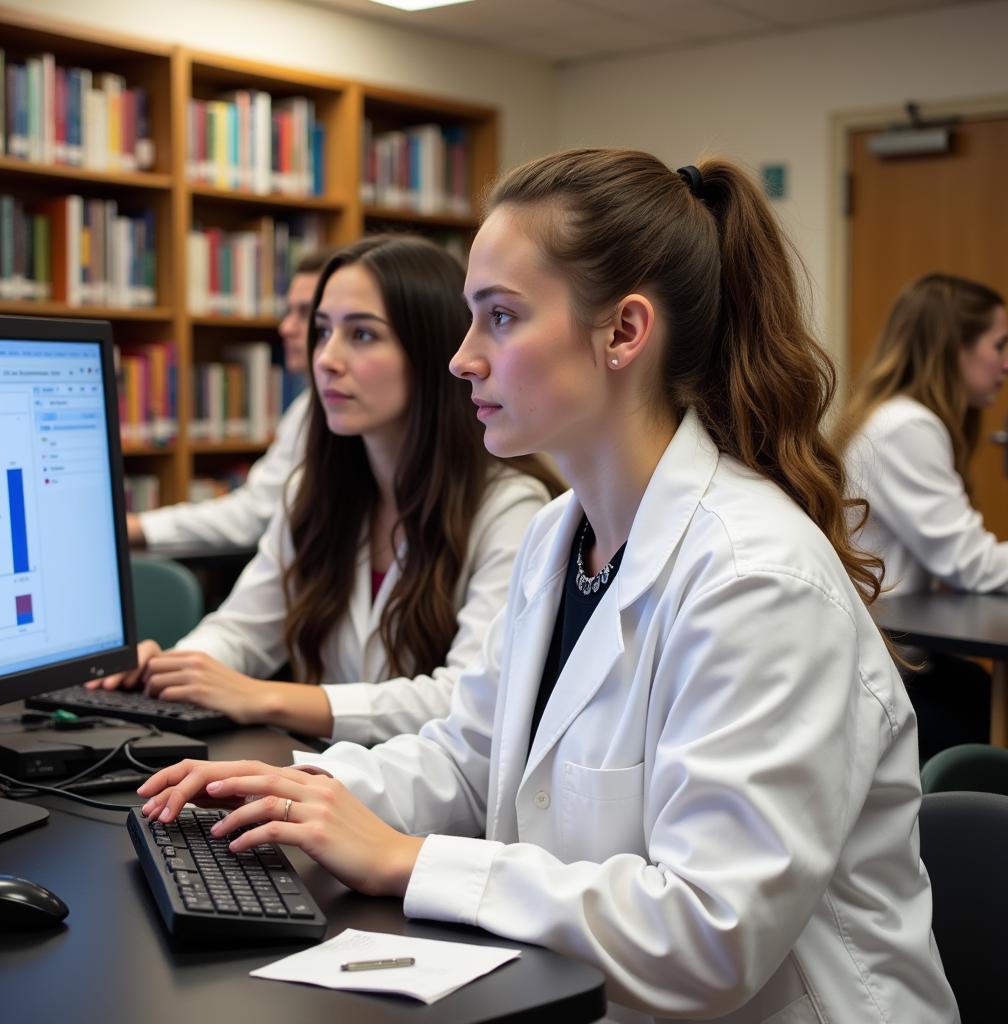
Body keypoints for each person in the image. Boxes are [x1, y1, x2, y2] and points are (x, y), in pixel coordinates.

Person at [137, 151, 957, 1022]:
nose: (461, 360)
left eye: (500, 317)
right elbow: (471, 755)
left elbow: (714, 934)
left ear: (623, 333)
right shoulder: (556, 534)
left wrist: (405, 860)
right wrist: (306, 793)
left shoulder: (756, 577)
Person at [99, 235, 558, 744]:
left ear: (431, 352)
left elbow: (465, 700)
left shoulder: (510, 510)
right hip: (328, 778)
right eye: (323, 332)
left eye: (362, 335)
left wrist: (266, 696)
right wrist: (175, 668)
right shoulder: (316, 493)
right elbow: (242, 629)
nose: (326, 359)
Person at [837, 272, 1008, 759]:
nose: (1006, 363)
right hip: (877, 678)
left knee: (973, 683)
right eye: (999, 345)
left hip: (891, 658)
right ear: (956, 347)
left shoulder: (894, 417)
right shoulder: (907, 426)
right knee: (976, 706)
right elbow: (972, 564)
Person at [126, 250, 331, 549]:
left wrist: (143, 527)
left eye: (306, 313)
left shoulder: (330, 408)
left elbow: (253, 515)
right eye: (288, 311)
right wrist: (143, 526)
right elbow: (256, 510)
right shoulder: (307, 406)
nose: (286, 327)